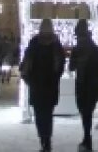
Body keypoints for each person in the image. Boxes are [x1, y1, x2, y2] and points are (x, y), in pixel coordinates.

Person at [20, 18, 65, 152]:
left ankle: (43, 140)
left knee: (39, 115)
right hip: (51, 86)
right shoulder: (56, 45)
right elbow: (60, 67)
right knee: (48, 115)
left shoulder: (34, 43)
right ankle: (47, 141)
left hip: (36, 86)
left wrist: (29, 80)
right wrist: (55, 78)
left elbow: (26, 65)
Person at [68, 19, 98, 151]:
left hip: (85, 85)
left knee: (85, 112)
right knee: (86, 112)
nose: (79, 38)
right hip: (90, 85)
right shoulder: (93, 49)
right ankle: (87, 138)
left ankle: (87, 139)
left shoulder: (83, 50)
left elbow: (71, 67)